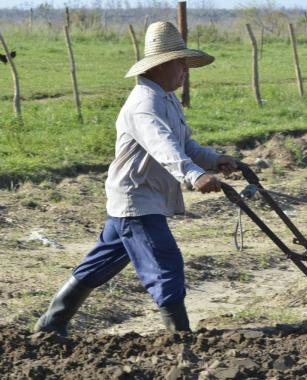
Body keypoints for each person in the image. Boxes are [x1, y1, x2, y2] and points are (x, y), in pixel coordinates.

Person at [34, 21, 237, 336]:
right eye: (180, 63)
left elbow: (184, 144)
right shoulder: (144, 103)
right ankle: (179, 335)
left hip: (141, 196)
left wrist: (214, 160)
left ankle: (50, 324)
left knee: (101, 263)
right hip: (137, 197)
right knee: (165, 259)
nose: (185, 70)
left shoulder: (165, 98)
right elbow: (163, 147)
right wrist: (194, 176)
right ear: (160, 65)